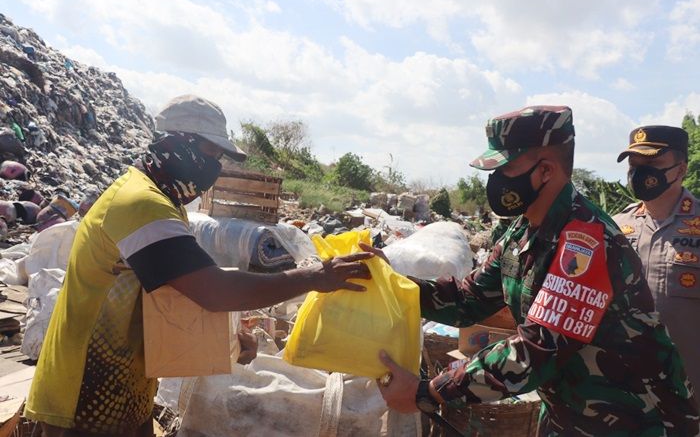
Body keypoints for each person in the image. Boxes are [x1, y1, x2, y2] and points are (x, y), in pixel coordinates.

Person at [25, 95, 373, 437]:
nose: (215, 166)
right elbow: (215, 291)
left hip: (122, 386)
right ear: (177, 143)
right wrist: (315, 276)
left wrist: (229, 342)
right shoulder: (140, 205)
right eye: (210, 153)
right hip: (83, 394)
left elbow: (174, 291)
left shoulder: (160, 201)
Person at [369, 106, 699, 436]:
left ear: (545, 171)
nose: (495, 179)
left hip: (638, 422)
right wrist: (387, 284)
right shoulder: (521, 232)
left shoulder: (587, 238)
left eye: (506, 167)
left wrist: (429, 392)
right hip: (566, 417)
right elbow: (468, 298)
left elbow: (537, 349)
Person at [613, 125, 700, 392]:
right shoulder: (615, 227)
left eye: (652, 163)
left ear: (681, 169)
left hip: (689, 392)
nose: (640, 173)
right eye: (634, 165)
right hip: (627, 392)